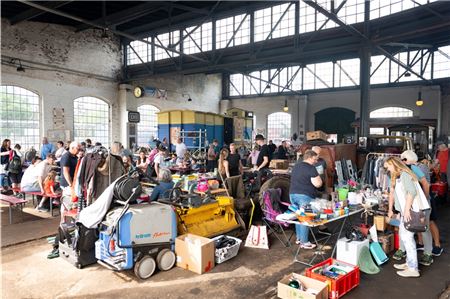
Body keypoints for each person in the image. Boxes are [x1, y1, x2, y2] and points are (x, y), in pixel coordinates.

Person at [385, 156, 424, 278]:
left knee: (408, 239)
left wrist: (407, 210)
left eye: (388, 167)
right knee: (405, 237)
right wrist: (390, 210)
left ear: (394, 164)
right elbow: (392, 194)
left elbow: (412, 192)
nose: (388, 169)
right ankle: (409, 263)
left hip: (409, 212)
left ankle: (413, 268)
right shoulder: (397, 176)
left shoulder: (404, 175)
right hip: (403, 212)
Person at [401, 150, 443, 257]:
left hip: (425, 199)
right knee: (421, 224)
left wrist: (425, 198)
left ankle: (436, 246)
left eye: (403, 159)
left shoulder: (417, 167)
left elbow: (425, 184)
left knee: (428, 224)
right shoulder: (411, 168)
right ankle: (421, 244)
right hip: (419, 200)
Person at [289, 150, 322, 249]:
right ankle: (304, 242)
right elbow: (318, 184)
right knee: (306, 218)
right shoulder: (311, 168)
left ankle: (299, 238)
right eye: (315, 159)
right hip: (304, 197)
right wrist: (320, 179)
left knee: (299, 216)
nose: (316, 161)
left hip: (292, 195)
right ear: (310, 157)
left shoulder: (296, 166)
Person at [59, 142, 80, 221]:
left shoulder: (74, 156)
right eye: (78, 149)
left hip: (73, 183)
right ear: (72, 148)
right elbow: (65, 172)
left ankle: (70, 220)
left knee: (73, 202)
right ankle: (63, 220)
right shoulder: (66, 157)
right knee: (67, 202)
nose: (79, 150)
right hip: (67, 184)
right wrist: (71, 184)